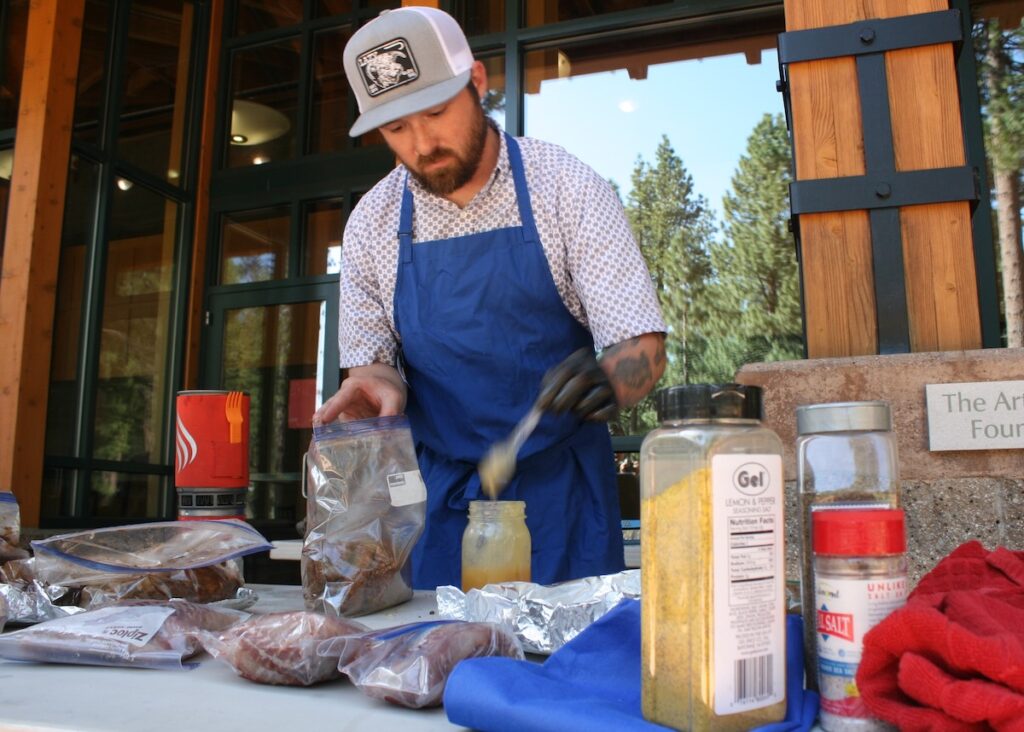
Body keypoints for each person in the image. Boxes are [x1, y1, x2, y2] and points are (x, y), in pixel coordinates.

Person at [314, 6, 667, 590]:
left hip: (564, 496)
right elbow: (374, 367)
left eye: (435, 112)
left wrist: (612, 378)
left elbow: (644, 350)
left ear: (477, 83)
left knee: (558, 672)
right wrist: (375, 386)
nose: (422, 144)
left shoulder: (566, 186)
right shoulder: (372, 222)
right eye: (396, 129)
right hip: (440, 500)